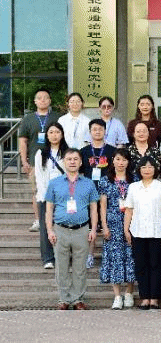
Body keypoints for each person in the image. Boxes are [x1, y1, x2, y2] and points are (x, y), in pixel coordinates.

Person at [44, 148, 98, 310]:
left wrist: (93, 230)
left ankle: (77, 299)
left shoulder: (88, 183)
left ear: (81, 162)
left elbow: (94, 209)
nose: (72, 162)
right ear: (64, 162)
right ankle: (64, 299)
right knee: (61, 266)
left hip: (82, 229)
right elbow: (49, 209)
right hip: (60, 229)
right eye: (69, 159)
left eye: (75, 159)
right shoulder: (54, 183)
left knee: (80, 267)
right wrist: (50, 230)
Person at [123, 155, 161, 310]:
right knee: (141, 265)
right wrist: (126, 229)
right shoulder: (133, 187)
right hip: (137, 231)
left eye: (150, 167)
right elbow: (129, 209)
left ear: (155, 169)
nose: (147, 170)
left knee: (156, 265)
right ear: (139, 170)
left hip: (157, 231)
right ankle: (144, 297)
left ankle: (154, 298)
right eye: (144, 167)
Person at [98, 149, 136, 309]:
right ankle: (117, 296)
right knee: (114, 258)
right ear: (112, 160)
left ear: (128, 162)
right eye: (118, 159)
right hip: (113, 223)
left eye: (124, 160)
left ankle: (129, 292)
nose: (121, 163)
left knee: (131, 257)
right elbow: (103, 205)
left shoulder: (134, 179)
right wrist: (104, 225)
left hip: (132, 222)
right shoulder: (105, 180)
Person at [33, 122, 67, 269]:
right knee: (45, 227)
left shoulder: (67, 152)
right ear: (47, 135)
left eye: (57, 132)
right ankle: (48, 258)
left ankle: (63, 256)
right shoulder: (40, 153)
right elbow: (39, 176)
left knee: (64, 226)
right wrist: (45, 195)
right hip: (45, 195)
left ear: (62, 134)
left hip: (64, 196)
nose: (54, 135)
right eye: (51, 132)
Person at [21, 89, 62, 187]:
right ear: (35, 101)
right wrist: (24, 161)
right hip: (34, 161)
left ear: (50, 101)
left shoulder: (58, 118)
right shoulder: (28, 119)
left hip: (55, 161)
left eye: (45, 98)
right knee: (36, 191)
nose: (42, 100)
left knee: (56, 190)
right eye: (39, 98)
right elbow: (22, 141)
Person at [81, 119, 117, 185]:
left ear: (105, 131)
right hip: (88, 186)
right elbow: (81, 172)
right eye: (95, 129)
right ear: (90, 132)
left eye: (100, 129)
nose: (97, 132)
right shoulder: (83, 151)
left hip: (107, 186)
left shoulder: (113, 151)